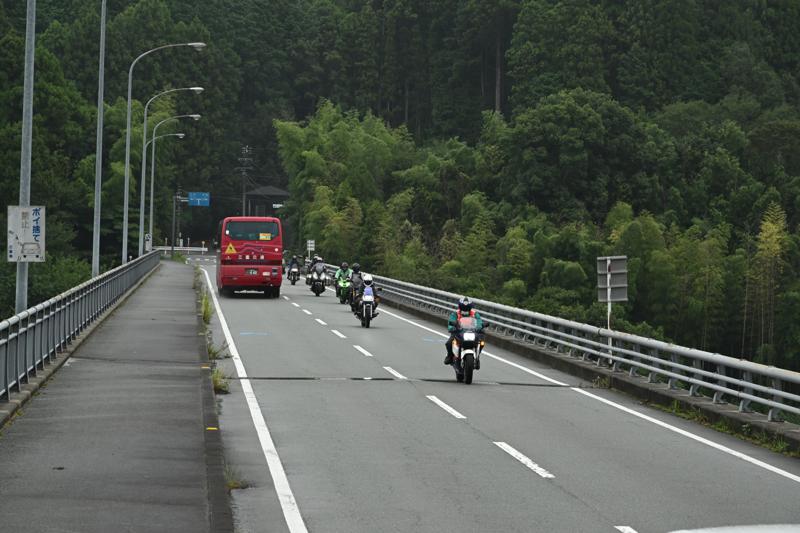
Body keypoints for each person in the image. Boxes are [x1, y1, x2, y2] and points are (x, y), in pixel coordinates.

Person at [444, 297, 483, 365]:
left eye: (467, 308)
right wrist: (452, 327)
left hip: (472, 332)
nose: (465, 310)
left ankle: (477, 358)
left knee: (481, 343)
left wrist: (479, 327)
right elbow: (451, 322)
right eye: (463, 308)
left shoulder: (475, 314)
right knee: (448, 343)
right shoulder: (455, 314)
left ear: (470, 307)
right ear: (460, 307)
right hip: (458, 332)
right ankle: (450, 356)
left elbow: (479, 321)